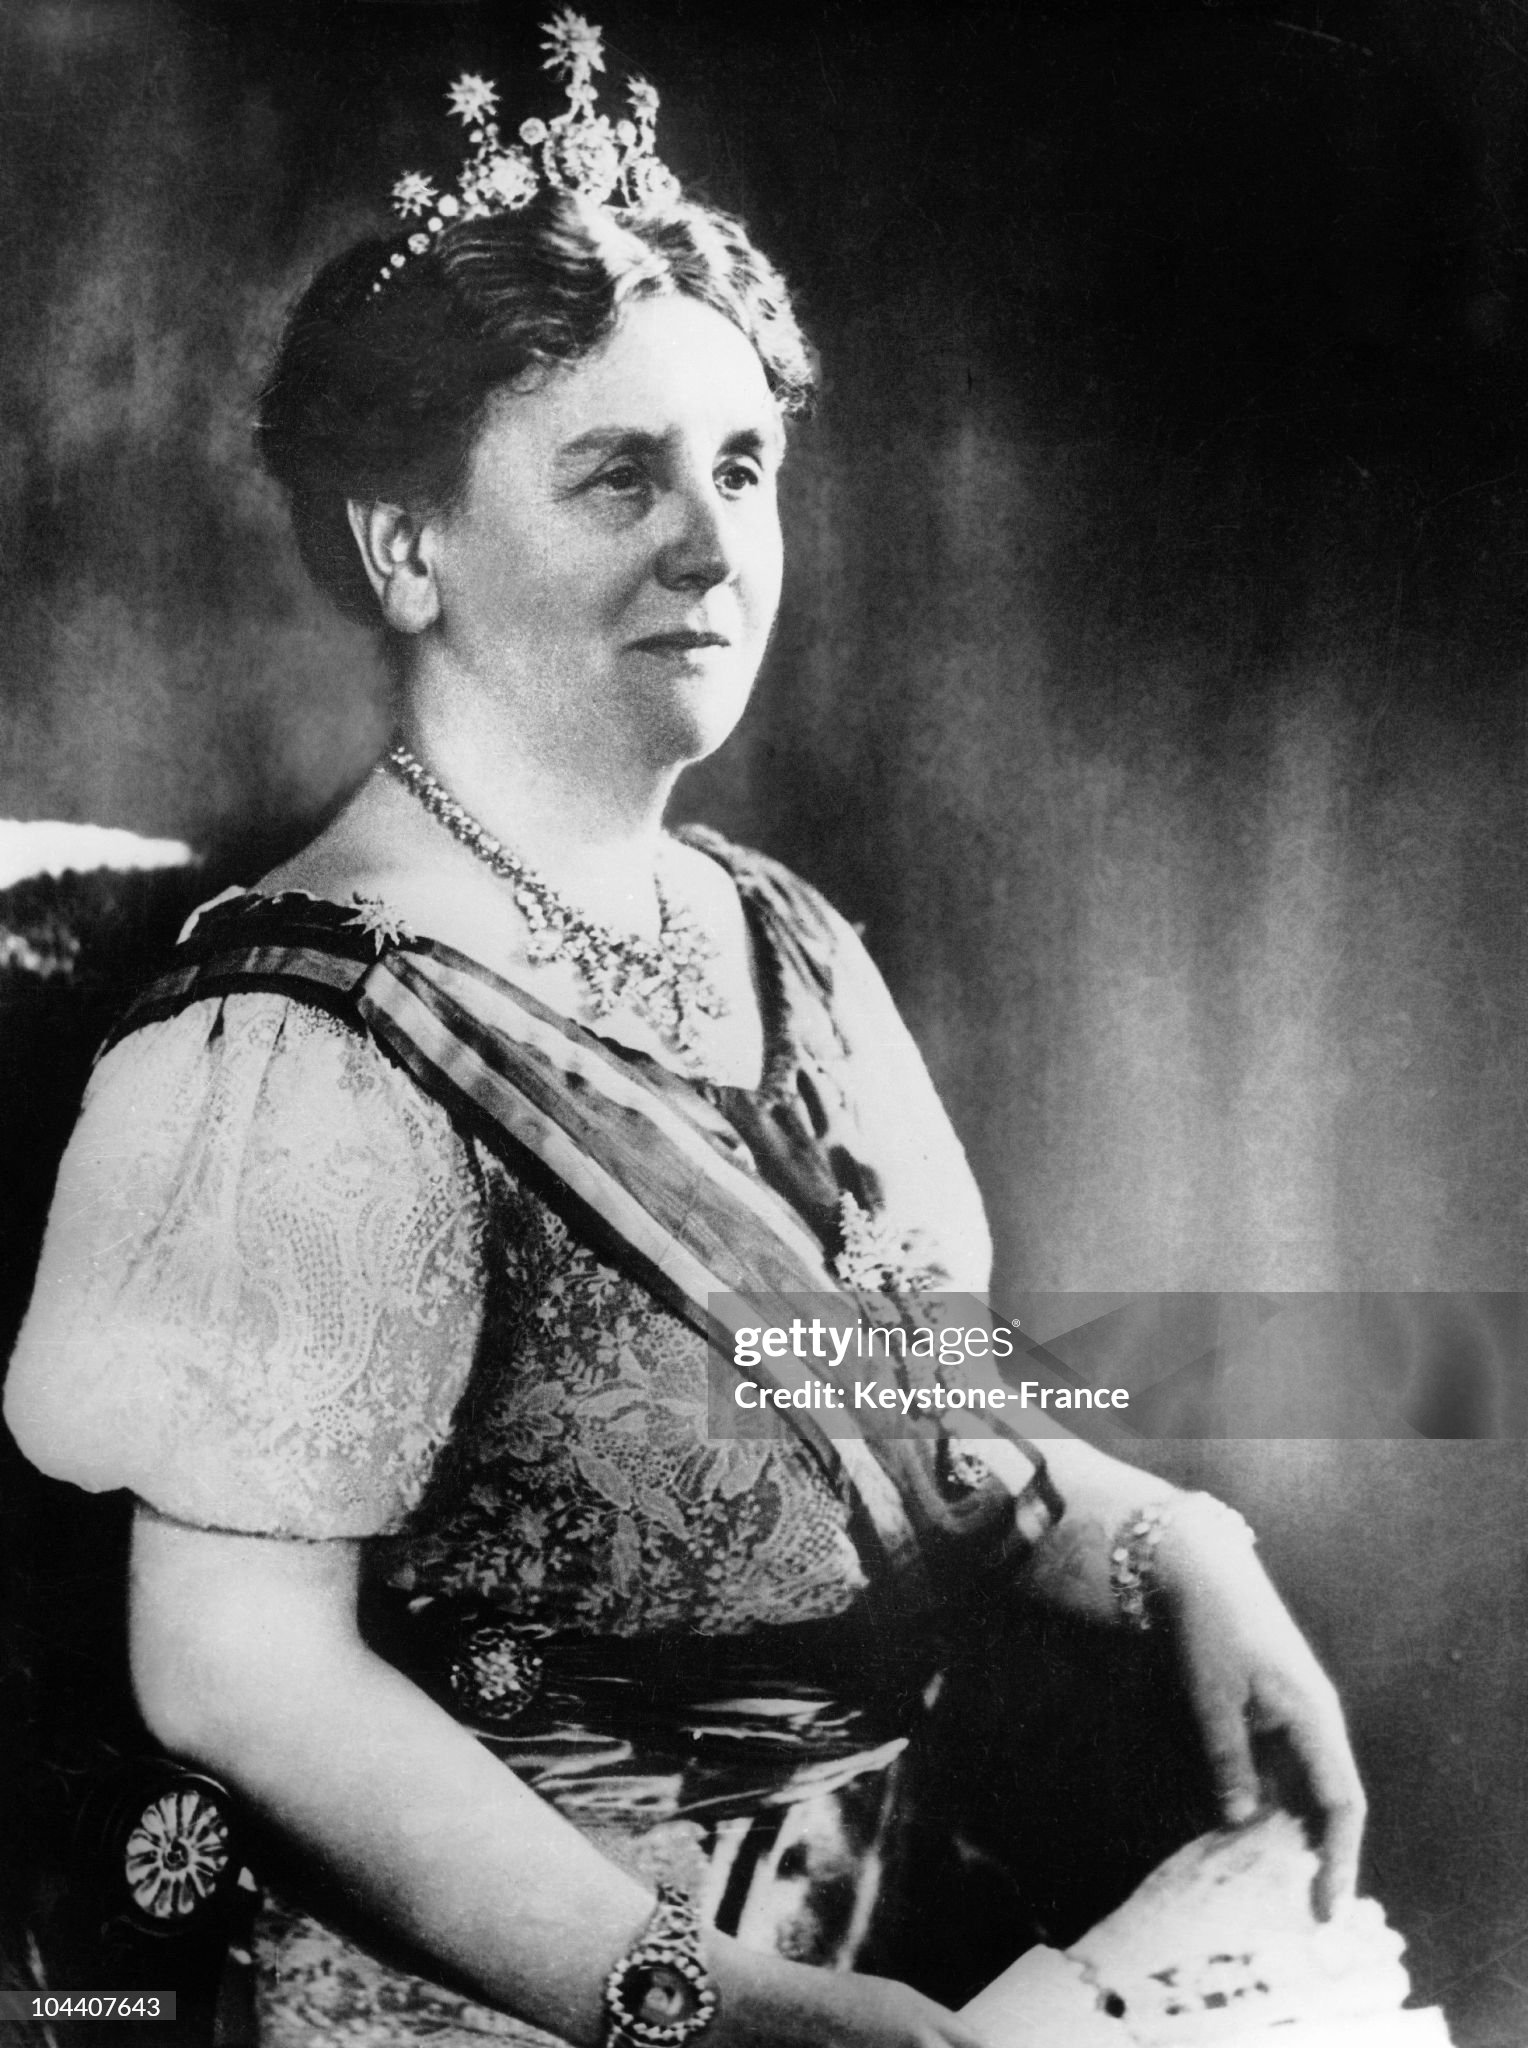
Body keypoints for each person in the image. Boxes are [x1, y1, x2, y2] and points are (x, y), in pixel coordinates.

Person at [3, 18, 1364, 2047]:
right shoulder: (293, 1047)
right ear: (404, 545)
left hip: (877, 1941)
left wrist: (1175, 1544)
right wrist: (699, 2006)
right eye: (617, 476)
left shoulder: (780, 938)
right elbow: (240, 1678)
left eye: (741, 469)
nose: (714, 547)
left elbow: (897, 1388)